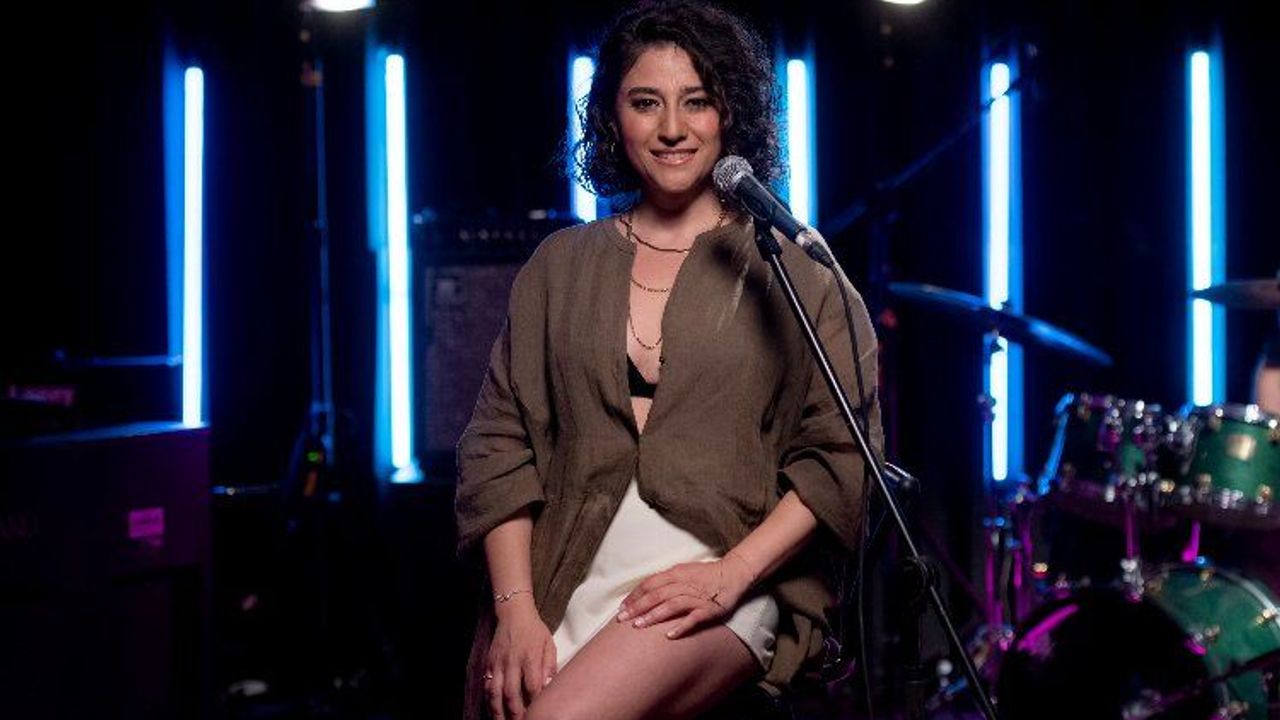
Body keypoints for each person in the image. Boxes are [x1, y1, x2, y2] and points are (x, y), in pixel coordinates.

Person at [454, 3, 881, 719]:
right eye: (646, 102)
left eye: (698, 101)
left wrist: (732, 575)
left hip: (719, 570)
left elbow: (842, 456)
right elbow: (498, 445)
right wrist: (516, 612)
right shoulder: (559, 266)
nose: (673, 128)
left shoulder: (798, 272)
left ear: (732, 115)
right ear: (612, 118)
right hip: (563, 564)